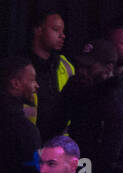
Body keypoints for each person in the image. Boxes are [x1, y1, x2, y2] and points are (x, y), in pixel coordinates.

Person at [63, 39, 123, 173]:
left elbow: (109, 158)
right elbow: (56, 125)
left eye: (89, 67)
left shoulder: (116, 103)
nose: (82, 71)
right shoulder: (79, 91)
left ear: (108, 68)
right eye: (81, 66)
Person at [28, 9, 75, 140]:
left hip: (61, 143)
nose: (62, 35)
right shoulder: (22, 65)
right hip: (30, 140)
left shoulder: (66, 65)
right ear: (38, 30)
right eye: (56, 29)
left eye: (63, 31)